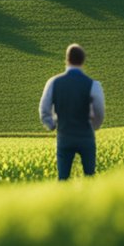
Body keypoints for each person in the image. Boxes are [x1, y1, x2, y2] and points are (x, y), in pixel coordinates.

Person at [39, 43, 106, 180]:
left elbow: (44, 109)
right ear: (83, 61)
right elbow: (100, 110)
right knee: (90, 178)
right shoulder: (93, 84)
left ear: (66, 59)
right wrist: (94, 126)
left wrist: (52, 125)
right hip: (86, 136)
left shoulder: (53, 82)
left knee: (63, 179)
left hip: (64, 136)